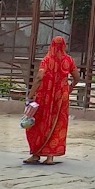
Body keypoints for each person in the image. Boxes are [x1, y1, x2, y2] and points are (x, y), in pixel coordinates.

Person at [24, 36, 78, 164]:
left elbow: (39, 77)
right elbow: (77, 77)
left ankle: (36, 154)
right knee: (57, 124)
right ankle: (50, 157)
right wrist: (69, 88)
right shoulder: (69, 60)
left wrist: (30, 95)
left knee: (38, 123)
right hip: (61, 96)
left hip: (45, 95)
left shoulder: (46, 60)